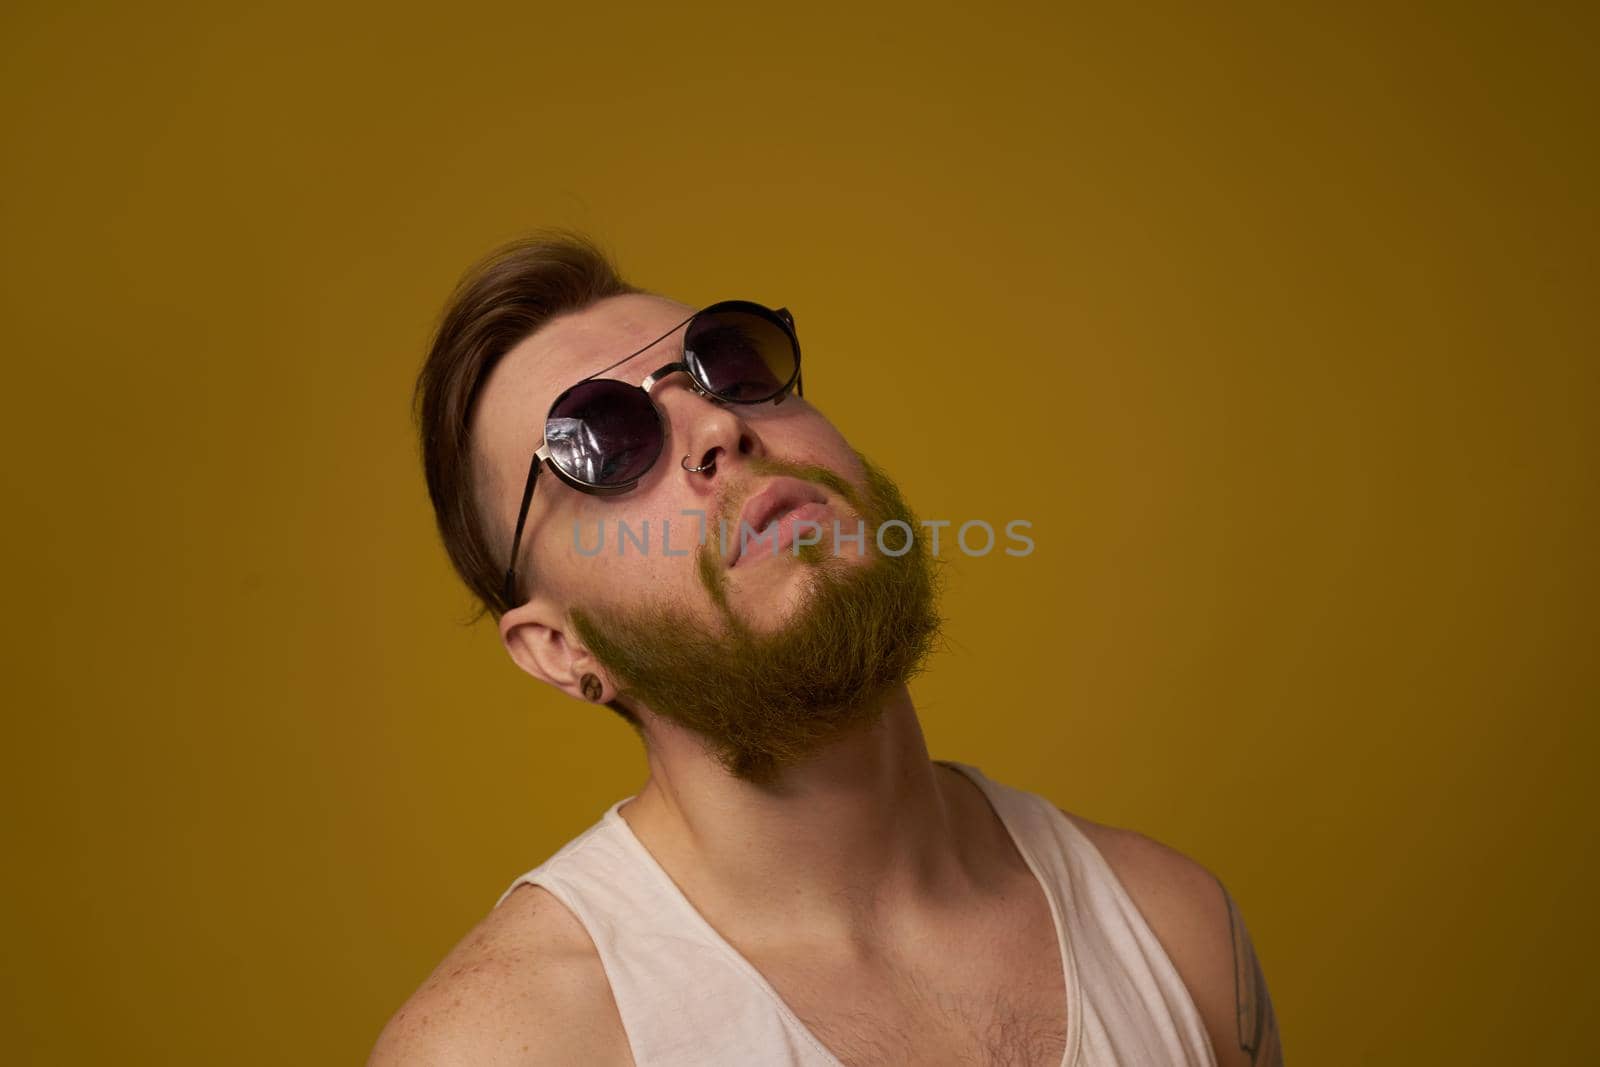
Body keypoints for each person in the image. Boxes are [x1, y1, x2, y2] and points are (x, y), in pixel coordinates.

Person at [371, 232, 1283, 1066]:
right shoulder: (511, 1044)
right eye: (605, 442)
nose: (720, 427)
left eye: (727, 364)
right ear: (559, 648)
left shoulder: (1177, 932)